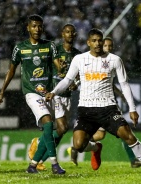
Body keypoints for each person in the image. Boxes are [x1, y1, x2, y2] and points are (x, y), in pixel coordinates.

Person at [45, 28, 141, 177]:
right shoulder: (79, 59)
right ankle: (95, 148)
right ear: (88, 42)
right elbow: (68, 80)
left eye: (99, 40)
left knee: (128, 136)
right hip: (85, 109)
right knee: (78, 145)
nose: (97, 43)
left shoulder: (114, 60)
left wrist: (132, 109)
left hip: (108, 108)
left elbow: (124, 85)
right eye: (94, 41)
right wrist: (54, 92)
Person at [0, 14, 66, 174]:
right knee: (48, 123)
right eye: (34, 26)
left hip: (49, 93)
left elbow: (57, 66)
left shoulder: (50, 46)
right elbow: (11, 70)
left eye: (40, 26)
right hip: (31, 92)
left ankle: (33, 164)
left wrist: (61, 67)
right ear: (28, 28)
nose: (37, 29)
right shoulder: (20, 48)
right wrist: (2, 91)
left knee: (62, 127)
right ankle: (54, 164)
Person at [68, 37, 141, 168]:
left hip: (109, 103)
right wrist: (74, 84)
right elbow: (83, 79)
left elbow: (113, 84)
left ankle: (87, 145)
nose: (108, 48)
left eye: (111, 45)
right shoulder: (93, 61)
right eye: (106, 45)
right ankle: (133, 159)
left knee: (101, 134)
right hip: (99, 104)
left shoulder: (112, 60)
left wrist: (122, 96)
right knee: (124, 131)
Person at [28, 23, 82, 171]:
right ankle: (39, 146)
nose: (70, 34)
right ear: (62, 35)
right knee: (62, 126)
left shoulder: (78, 55)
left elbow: (80, 76)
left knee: (61, 130)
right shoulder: (55, 50)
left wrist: (75, 84)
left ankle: (38, 158)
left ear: (75, 35)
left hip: (67, 96)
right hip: (55, 93)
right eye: (67, 32)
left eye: (72, 32)